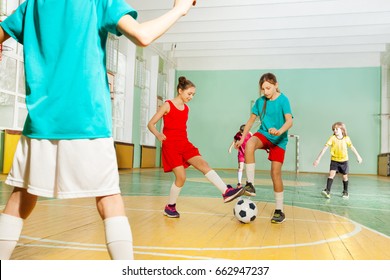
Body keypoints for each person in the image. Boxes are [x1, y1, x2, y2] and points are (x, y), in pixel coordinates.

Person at [0, 0, 197, 260]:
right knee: (109, 199)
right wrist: (179, 9)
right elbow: (142, 36)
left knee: (20, 198)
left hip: (41, 122)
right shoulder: (97, 2)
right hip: (88, 120)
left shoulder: (32, 5)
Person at [147, 76, 245, 218]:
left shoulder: (186, 108)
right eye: (189, 94)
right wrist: (158, 134)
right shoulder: (167, 105)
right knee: (181, 177)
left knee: (203, 164)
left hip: (184, 143)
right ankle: (170, 207)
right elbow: (150, 124)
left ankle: (226, 191)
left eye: (193, 94)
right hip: (171, 145)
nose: (191, 97)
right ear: (180, 91)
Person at [236, 73, 293, 224]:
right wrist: (242, 139)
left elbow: (289, 121)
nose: (266, 91)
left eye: (268, 88)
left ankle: (279, 210)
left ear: (276, 85)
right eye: (263, 89)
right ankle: (250, 184)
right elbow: (250, 121)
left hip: (279, 140)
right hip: (264, 134)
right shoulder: (260, 102)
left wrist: (280, 131)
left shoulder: (283, 100)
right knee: (250, 144)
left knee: (275, 174)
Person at [313, 122, 363, 199]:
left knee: (345, 177)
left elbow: (352, 147)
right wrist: (318, 159)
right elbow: (324, 149)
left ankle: (345, 191)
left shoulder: (347, 138)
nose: (335, 131)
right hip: (334, 160)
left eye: (337, 129)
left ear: (342, 130)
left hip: (344, 161)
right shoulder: (332, 138)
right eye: (334, 129)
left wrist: (358, 156)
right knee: (331, 175)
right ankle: (327, 191)